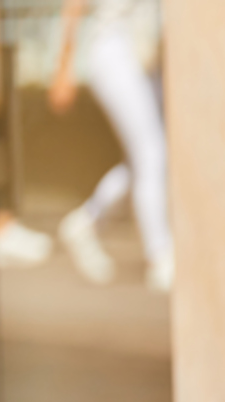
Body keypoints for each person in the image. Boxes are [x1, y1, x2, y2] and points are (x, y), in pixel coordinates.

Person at [48, 0, 170, 291]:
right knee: (152, 154)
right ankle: (161, 254)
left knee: (149, 158)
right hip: (115, 46)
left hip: (146, 50)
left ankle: (88, 219)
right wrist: (64, 66)